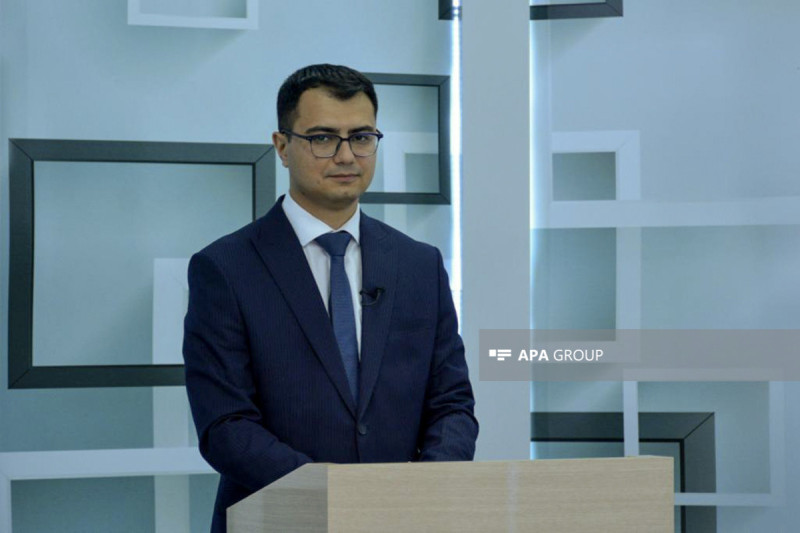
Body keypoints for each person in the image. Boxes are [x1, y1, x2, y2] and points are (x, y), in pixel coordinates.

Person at [183, 63, 478, 533]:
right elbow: (225, 426)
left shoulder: (419, 265)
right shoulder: (225, 268)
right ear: (282, 146)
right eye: (322, 138)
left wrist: (423, 491)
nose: (346, 155)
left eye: (361, 137)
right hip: (278, 519)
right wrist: (339, 497)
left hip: (402, 520)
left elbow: (453, 405)